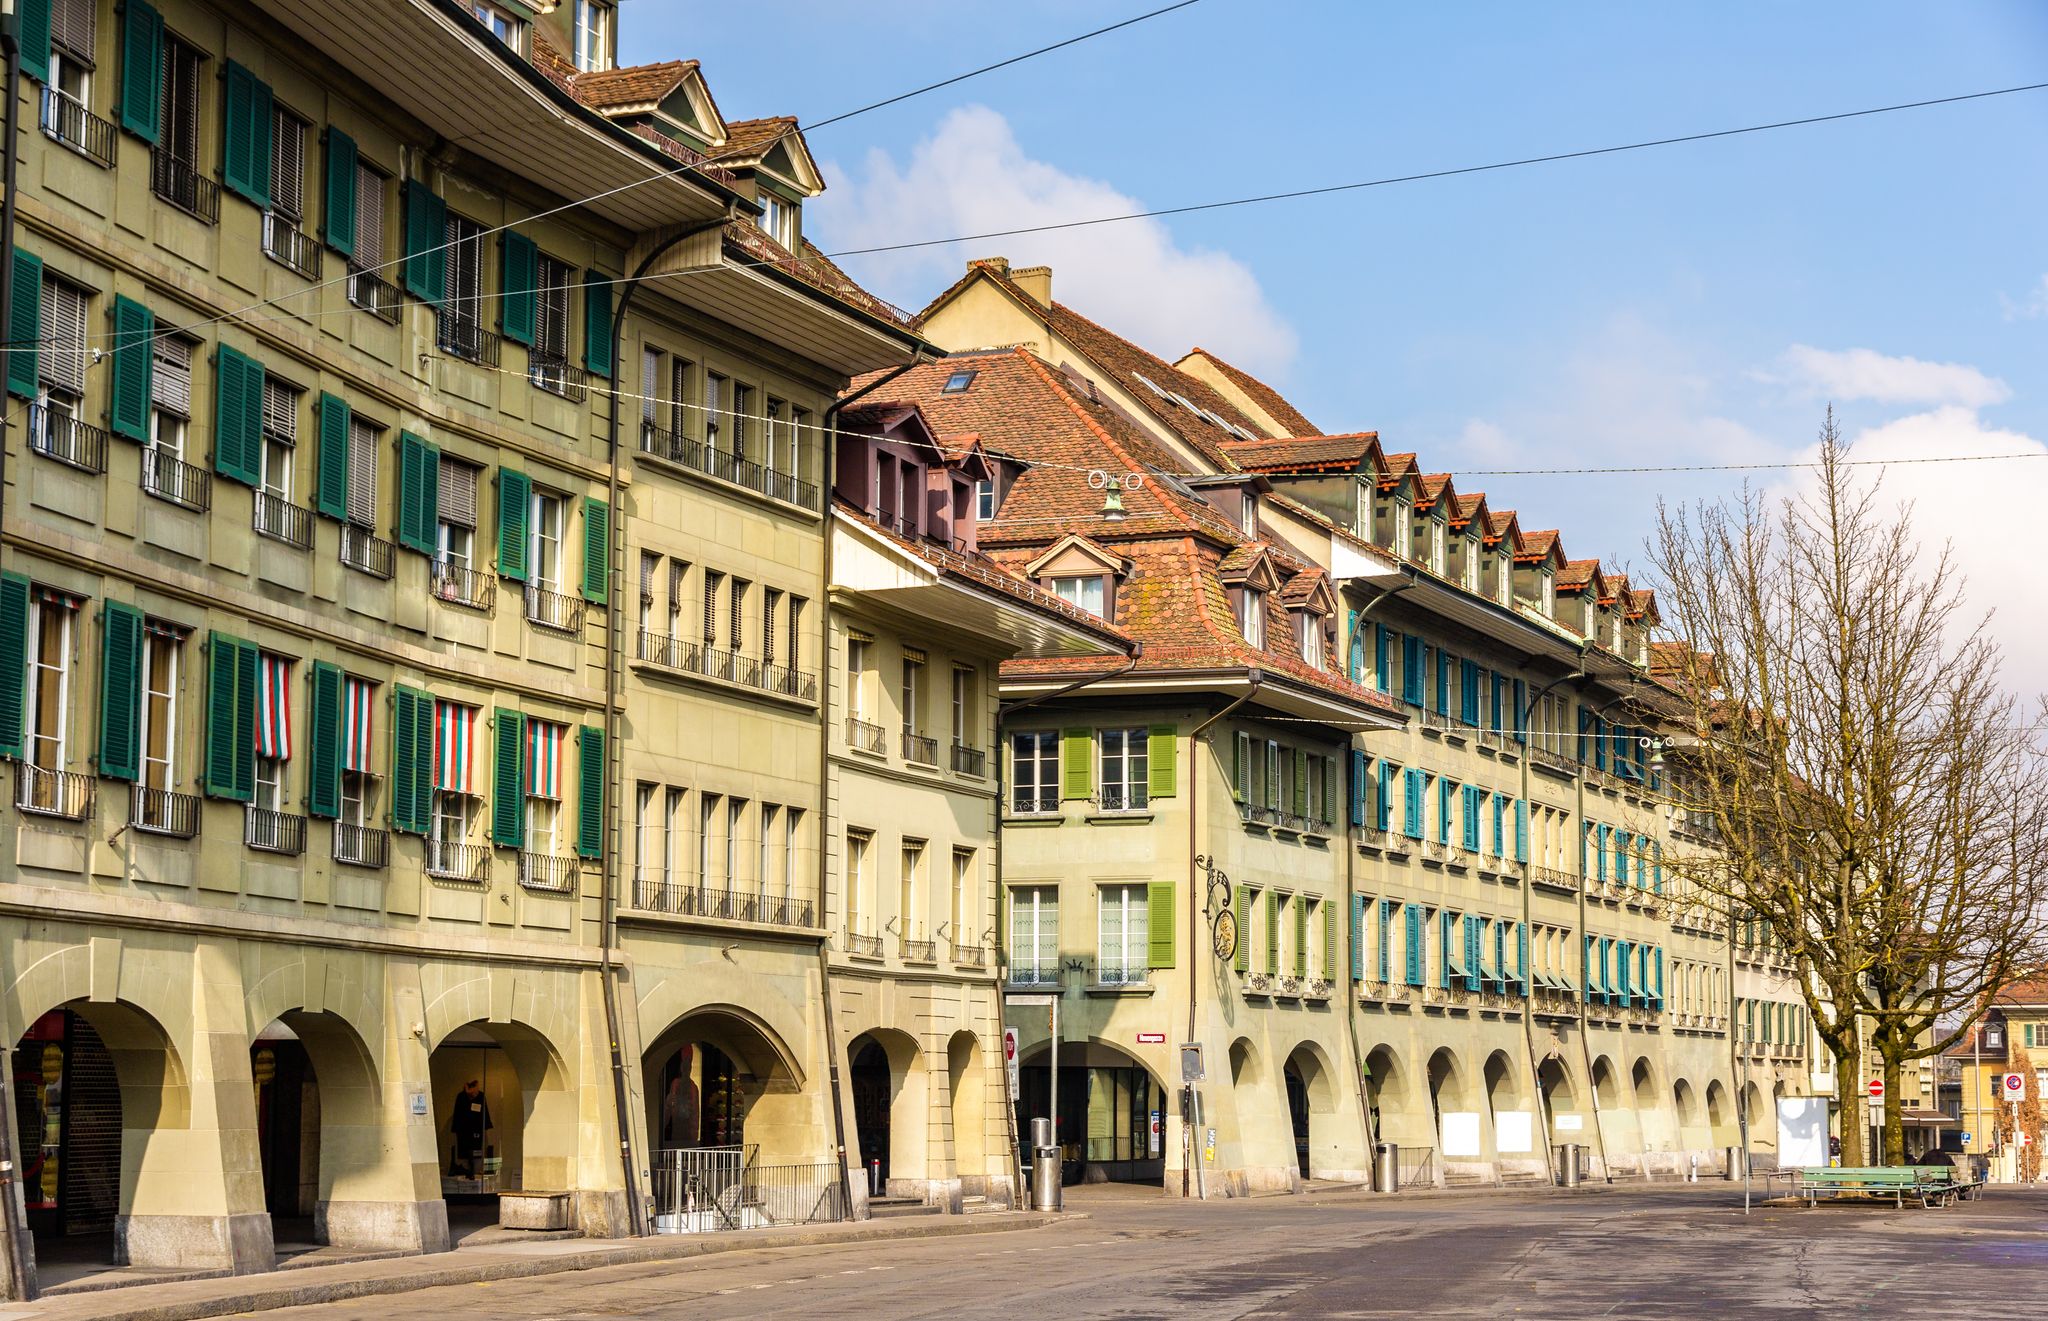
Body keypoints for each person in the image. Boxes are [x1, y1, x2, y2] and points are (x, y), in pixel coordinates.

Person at [449, 1079, 492, 1178]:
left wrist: (485, 1125)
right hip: (464, 1130)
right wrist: (456, 1128)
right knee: (465, 1152)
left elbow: (484, 1112)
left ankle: (473, 1170)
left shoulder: (480, 1096)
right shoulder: (461, 1097)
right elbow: (457, 1114)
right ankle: (465, 1169)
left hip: (476, 1129)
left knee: (476, 1152)